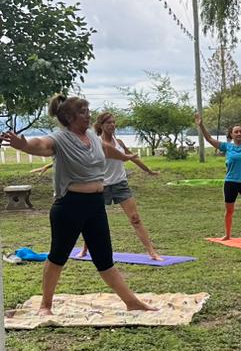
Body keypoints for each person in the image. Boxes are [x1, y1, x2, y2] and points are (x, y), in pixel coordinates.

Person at [0, 95, 154, 315]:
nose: (88, 114)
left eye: (87, 110)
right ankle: (46, 305)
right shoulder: (60, 139)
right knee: (57, 257)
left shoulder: (91, 135)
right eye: (83, 111)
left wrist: (123, 156)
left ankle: (131, 302)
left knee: (104, 259)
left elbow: (105, 149)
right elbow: (41, 145)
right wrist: (23, 144)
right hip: (69, 206)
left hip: (95, 206)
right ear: (69, 117)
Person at [78, 111, 161, 261]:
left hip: (120, 185)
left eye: (114, 122)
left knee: (135, 218)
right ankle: (84, 249)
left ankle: (152, 252)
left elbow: (132, 158)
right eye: (108, 122)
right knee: (92, 220)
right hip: (100, 186)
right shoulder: (96, 143)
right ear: (101, 125)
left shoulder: (119, 143)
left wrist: (149, 171)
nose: (112, 125)